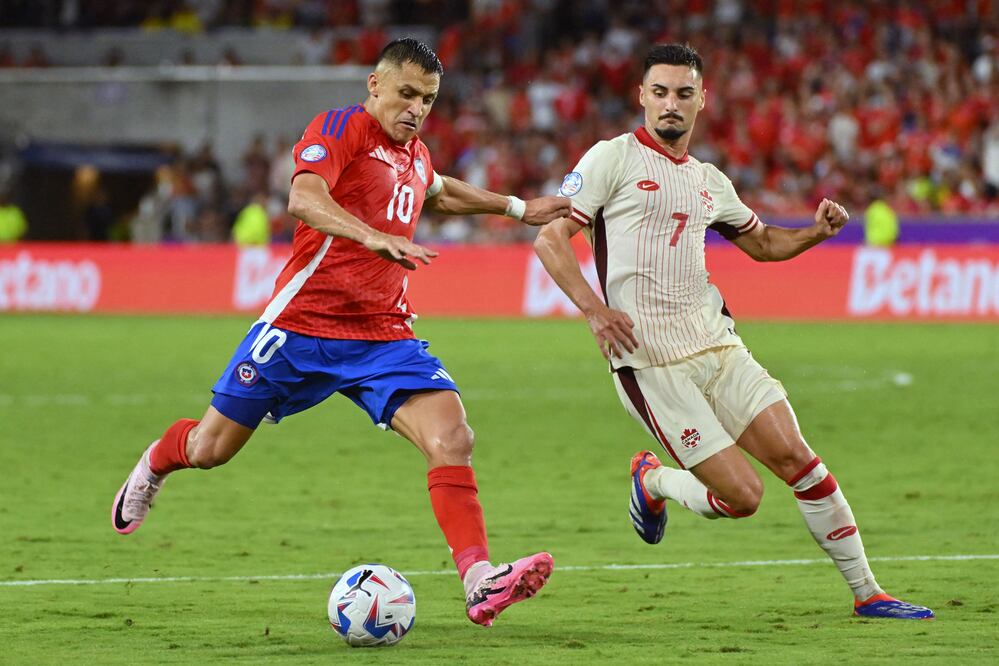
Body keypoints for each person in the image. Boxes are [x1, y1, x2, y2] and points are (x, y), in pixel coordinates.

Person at [112, 38, 569, 627]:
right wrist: (370, 235)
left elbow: (442, 191)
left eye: (427, 100)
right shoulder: (341, 127)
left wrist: (515, 207)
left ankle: (480, 579)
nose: (416, 109)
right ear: (374, 86)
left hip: (383, 333)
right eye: (406, 93)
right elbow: (304, 197)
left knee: (452, 438)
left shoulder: (415, 155)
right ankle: (156, 460)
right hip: (301, 326)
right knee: (210, 449)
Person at [533, 44, 934, 620]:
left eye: (684, 94)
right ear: (641, 97)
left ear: (703, 101)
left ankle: (869, 594)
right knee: (743, 498)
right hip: (651, 362)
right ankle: (656, 482)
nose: (672, 104)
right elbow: (550, 240)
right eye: (661, 92)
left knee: (802, 460)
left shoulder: (708, 181)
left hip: (718, 344)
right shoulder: (610, 159)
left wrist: (815, 232)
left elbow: (763, 243)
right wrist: (595, 311)